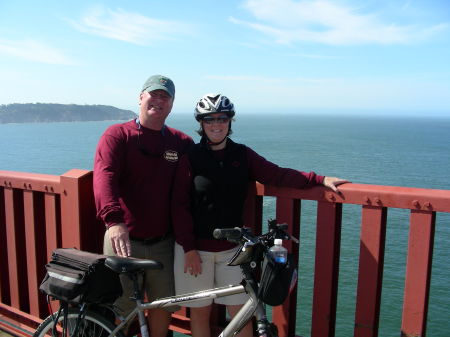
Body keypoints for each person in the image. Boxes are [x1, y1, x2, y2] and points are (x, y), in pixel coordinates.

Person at [172, 93, 349, 337]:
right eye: (209, 119)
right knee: (200, 315)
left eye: (222, 118)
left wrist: (318, 179)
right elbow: (178, 206)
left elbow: (276, 175)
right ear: (201, 123)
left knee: (242, 314)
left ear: (230, 122)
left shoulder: (242, 155)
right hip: (195, 252)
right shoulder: (190, 158)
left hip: (233, 251)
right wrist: (189, 249)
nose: (216, 124)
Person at [93, 75, 194, 337]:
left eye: (165, 97)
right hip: (123, 239)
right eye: (154, 94)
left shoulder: (180, 143)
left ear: (171, 105)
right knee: (122, 307)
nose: (159, 101)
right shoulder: (117, 135)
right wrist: (114, 221)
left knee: (163, 305)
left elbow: (203, 176)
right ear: (141, 97)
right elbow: (105, 177)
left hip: (163, 243)